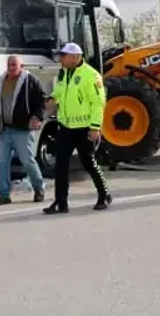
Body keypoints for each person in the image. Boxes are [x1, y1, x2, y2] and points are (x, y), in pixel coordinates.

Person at [43, 43, 112, 214]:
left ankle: (104, 195)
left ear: (75, 57)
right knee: (60, 165)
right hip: (66, 126)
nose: (61, 59)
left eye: (64, 56)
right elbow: (59, 91)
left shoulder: (91, 75)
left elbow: (98, 103)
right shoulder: (64, 73)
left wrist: (95, 127)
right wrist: (52, 99)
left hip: (85, 127)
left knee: (88, 162)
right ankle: (61, 202)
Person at [0, 55, 47, 206]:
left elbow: (41, 101)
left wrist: (37, 117)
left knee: (27, 161)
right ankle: (4, 195)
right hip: (4, 129)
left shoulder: (30, 81)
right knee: (2, 163)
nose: (11, 67)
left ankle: (39, 189)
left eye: (14, 65)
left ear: (22, 66)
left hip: (22, 130)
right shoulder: (0, 82)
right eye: (9, 65)